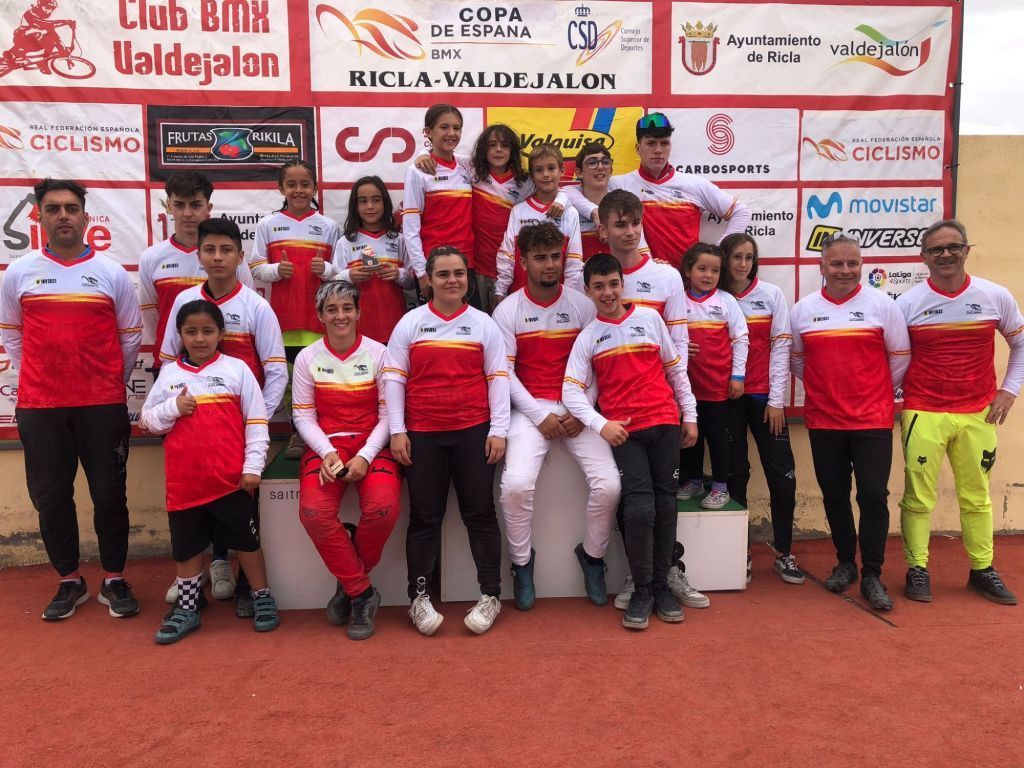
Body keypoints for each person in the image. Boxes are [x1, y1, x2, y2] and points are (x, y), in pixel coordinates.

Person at [1, 178, 142, 621]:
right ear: (39, 216)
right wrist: (42, 376)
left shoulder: (111, 273)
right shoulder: (19, 273)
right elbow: (13, 336)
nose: (63, 215)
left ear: (84, 216)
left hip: (101, 405)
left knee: (110, 495)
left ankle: (114, 578)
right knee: (51, 497)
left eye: (71, 208)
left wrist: (106, 381)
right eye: (53, 208)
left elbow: (130, 338)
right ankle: (69, 580)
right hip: (40, 406)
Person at [563, 254, 698, 630]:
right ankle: (642, 590)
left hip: (665, 423)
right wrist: (601, 424)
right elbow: (570, 391)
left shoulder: (650, 319)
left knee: (666, 506)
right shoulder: (589, 336)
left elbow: (675, 369)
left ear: (623, 284)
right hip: (626, 433)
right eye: (599, 286)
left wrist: (690, 415)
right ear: (588, 290)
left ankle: (662, 587)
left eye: (613, 284)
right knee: (639, 510)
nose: (607, 292)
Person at [159, 218, 286, 616]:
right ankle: (208, 572)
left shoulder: (256, 306)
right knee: (197, 510)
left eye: (226, 250)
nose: (217, 257)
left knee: (240, 511)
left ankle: (249, 585)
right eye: (210, 250)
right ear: (199, 255)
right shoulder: (184, 302)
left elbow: (276, 372)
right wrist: (169, 412)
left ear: (240, 256)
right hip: (196, 434)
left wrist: (252, 423)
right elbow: (168, 365)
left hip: (240, 432)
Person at [492, 222, 620, 610]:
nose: (550, 265)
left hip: (578, 408)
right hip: (530, 409)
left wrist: (583, 409)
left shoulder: (583, 305)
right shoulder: (508, 310)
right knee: (515, 486)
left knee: (610, 486)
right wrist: (538, 414)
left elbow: (598, 365)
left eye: (555, 257)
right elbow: (504, 373)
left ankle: (593, 558)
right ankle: (522, 564)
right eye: (540, 258)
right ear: (523, 262)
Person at [138, 170, 252, 604]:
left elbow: (243, 310)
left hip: (227, 383)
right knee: (188, 476)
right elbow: (155, 322)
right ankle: (192, 568)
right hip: (178, 380)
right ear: (168, 207)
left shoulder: (227, 255)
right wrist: (175, 375)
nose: (188, 213)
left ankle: (221, 560)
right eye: (180, 205)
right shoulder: (152, 258)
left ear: (209, 206)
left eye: (196, 204)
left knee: (224, 473)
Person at [897, 219, 1024, 605]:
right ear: (923, 257)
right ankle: (917, 568)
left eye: (953, 246)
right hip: (924, 411)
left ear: (967, 250)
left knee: (976, 496)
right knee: (918, 497)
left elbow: (1020, 345)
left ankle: (982, 570)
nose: (946, 254)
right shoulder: (908, 303)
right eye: (936, 249)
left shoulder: (994, 295)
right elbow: (893, 359)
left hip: (978, 413)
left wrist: (1009, 391)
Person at [384, 246, 509, 636]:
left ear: (467, 279)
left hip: (474, 431)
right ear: (428, 280)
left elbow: (498, 378)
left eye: (459, 273)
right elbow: (394, 379)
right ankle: (418, 598)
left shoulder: (484, 324)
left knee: (480, 513)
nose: (452, 280)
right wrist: (397, 430)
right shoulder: (410, 323)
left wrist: (499, 430)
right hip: (422, 435)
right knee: (424, 517)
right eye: (443, 274)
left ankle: (490, 594)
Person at [594, 189, 708, 610]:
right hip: (616, 413)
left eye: (635, 223)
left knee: (662, 499)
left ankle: (666, 572)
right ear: (603, 229)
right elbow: (591, 348)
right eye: (619, 224)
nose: (629, 231)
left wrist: (682, 407)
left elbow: (677, 346)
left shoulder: (666, 277)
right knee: (633, 500)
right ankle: (637, 575)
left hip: (660, 409)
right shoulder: (591, 279)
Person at [141, 300, 278, 644]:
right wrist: (173, 407)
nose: (199, 338)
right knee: (187, 549)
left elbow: (257, 421)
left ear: (220, 333)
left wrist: (253, 467)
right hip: (184, 484)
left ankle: (262, 596)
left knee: (246, 543)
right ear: (180, 335)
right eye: (191, 331)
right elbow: (148, 421)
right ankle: (188, 608)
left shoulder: (237, 370)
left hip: (231, 482)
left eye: (207, 331)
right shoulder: (169, 375)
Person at [790, 234, 910, 611]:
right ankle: (845, 562)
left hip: (872, 419)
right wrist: (827, 387)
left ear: (861, 266)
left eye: (852, 263)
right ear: (822, 267)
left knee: (873, 495)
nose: (845, 270)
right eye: (837, 263)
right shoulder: (803, 310)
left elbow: (900, 357)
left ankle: (873, 573)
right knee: (835, 495)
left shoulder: (882, 305)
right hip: (824, 420)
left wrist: (872, 391)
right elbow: (797, 361)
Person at [292, 281, 401, 640]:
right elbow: (303, 416)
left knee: (383, 509)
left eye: (347, 308)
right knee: (313, 513)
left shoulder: (379, 353)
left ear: (358, 312)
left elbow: (388, 414)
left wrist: (366, 456)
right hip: (326, 447)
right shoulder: (307, 358)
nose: (340, 316)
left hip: (374, 445)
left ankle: (348, 583)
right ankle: (362, 593)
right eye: (332, 309)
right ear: (320, 316)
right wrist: (326, 452)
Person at [719, 234, 802, 584]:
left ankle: (784, 552)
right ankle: (740, 551)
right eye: (736, 257)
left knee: (782, 476)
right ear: (724, 259)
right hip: (726, 400)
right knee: (735, 473)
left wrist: (776, 400)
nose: (743, 264)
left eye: (749, 257)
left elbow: (781, 347)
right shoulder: (714, 296)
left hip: (765, 400)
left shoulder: (771, 295)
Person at [249, 159, 340, 458]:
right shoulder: (268, 224)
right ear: (281, 189)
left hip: (320, 320)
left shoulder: (328, 226)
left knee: (320, 379)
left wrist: (326, 269)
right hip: (284, 319)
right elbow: (256, 267)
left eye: (305, 184)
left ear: (315, 188)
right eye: (292, 184)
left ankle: (324, 430)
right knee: (290, 383)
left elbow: (340, 271)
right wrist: (277, 270)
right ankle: (297, 433)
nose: (299, 190)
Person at [609, 113, 751, 270]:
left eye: (664, 143)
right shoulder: (619, 185)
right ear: (638, 148)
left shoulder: (693, 184)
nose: (658, 150)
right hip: (643, 277)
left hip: (689, 281)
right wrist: (648, 261)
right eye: (651, 143)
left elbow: (741, 212)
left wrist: (718, 253)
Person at [677, 243, 749, 510]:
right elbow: (666, 337)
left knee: (718, 438)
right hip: (687, 387)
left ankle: (720, 487)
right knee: (691, 437)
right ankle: (695, 480)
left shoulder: (726, 301)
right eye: (702, 269)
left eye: (715, 270)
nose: (708, 275)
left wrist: (738, 376)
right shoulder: (678, 301)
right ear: (688, 270)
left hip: (718, 386)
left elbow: (741, 338)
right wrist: (679, 346)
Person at [403, 104, 474, 295]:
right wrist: (421, 273)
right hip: (434, 266)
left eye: (456, 128)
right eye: (444, 127)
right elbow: (410, 228)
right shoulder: (417, 171)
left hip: (466, 264)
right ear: (428, 132)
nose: (451, 133)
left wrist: (423, 153)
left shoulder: (467, 166)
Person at [495, 144, 582, 299]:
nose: (546, 174)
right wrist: (500, 290)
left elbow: (574, 261)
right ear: (532, 175)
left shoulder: (570, 213)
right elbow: (507, 255)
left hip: (558, 298)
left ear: (562, 171)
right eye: (539, 170)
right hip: (520, 296)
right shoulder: (519, 210)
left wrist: (568, 297)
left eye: (551, 168)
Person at [334, 175, 414, 344]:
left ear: (385, 203)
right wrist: (349, 276)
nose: (370, 206)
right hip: (357, 327)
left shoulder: (399, 240)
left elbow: (412, 283)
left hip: (394, 324)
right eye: (363, 201)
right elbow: (334, 283)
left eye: (376, 200)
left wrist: (398, 274)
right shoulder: (345, 242)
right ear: (355, 206)